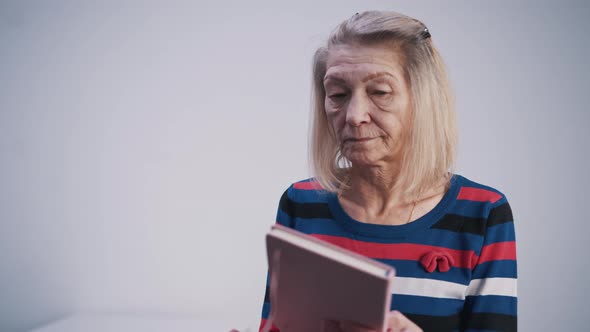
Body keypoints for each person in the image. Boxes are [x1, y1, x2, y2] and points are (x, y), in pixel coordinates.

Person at [259, 10, 517, 332]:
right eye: (338, 94)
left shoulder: (483, 213)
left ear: (423, 100)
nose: (354, 115)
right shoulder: (300, 203)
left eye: (380, 92)